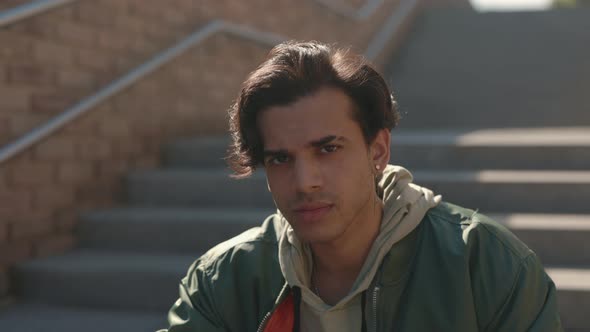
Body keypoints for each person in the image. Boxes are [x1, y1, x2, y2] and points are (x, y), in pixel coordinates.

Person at [159, 41, 563, 331]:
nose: (305, 182)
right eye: (280, 159)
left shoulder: (485, 266)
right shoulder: (224, 279)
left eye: (328, 149)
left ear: (378, 150)